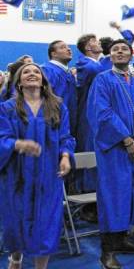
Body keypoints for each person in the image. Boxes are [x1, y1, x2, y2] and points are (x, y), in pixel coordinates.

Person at [89, 39, 134, 269]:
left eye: (124, 49)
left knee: (131, 193)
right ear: (109, 55)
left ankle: (122, 239)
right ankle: (107, 250)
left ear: (131, 54)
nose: (119, 51)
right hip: (114, 149)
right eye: (115, 49)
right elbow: (103, 113)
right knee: (113, 195)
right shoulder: (103, 80)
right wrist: (127, 139)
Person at [0, 63, 75, 269]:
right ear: (19, 82)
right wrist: (16, 144)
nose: (32, 74)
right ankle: (15, 258)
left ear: (43, 81)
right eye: (26, 72)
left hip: (48, 174)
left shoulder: (58, 106)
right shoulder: (6, 108)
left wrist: (66, 156)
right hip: (16, 174)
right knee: (15, 221)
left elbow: (66, 137)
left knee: (46, 224)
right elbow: (1, 137)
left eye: (36, 72)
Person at [75, 34, 105, 196]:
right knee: (89, 150)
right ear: (87, 47)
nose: (99, 42)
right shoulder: (88, 65)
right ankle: (87, 193)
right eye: (94, 41)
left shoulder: (97, 64)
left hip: (96, 113)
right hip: (88, 115)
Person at [41, 41, 77, 139]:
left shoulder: (68, 74)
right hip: (52, 124)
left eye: (69, 47)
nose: (69, 49)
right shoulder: (47, 70)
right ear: (54, 53)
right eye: (63, 47)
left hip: (68, 125)